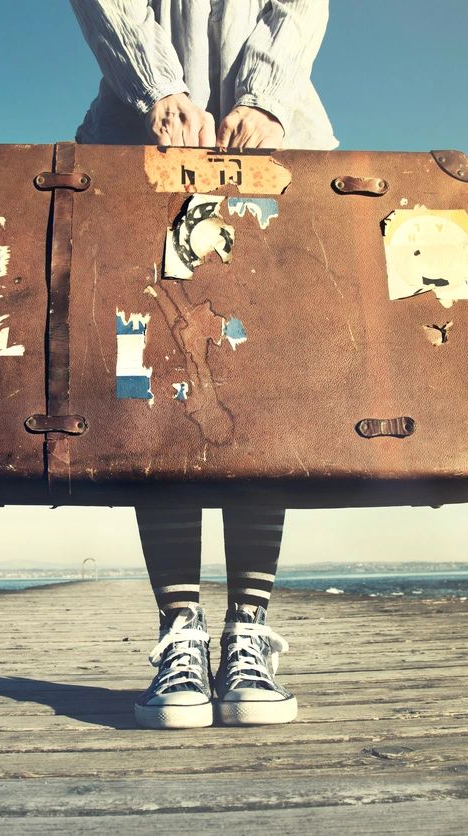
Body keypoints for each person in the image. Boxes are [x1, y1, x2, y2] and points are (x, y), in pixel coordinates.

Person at [68, 0, 338, 729]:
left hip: (277, 150)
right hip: (137, 141)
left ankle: (247, 632)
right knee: (151, 394)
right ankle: (180, 634)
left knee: (262, 396)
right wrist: (158, 86)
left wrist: (267, 97)